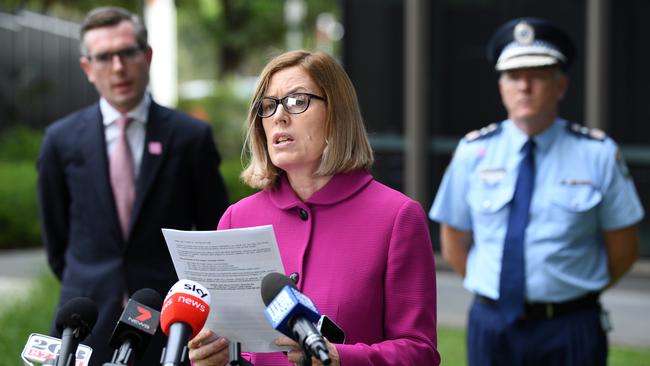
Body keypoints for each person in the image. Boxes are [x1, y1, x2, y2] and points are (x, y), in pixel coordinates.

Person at [187, 50, 440, 366]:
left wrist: (341, 359)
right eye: (268, 106)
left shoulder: (397, 217)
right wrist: (214, 357)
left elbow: (420, 352)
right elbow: (229, 342)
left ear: (336, 113)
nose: (279, 116)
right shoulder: (237, 219)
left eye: (296, 101)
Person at [429, 17, 644, 366]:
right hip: (493, 323)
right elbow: (454, 242)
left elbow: (624, 248)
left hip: (572, 324)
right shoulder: (473, 152)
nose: (524, 87)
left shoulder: (598, 153)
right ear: (501, 87)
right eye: (514, 77)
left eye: (538, 75)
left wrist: (569, 288)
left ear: (561, 86)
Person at [37, 6, 229, 365]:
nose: (118, 67)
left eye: (127, 53)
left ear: (147, 56)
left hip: (168, 322)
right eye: (104, 57)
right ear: (87, 68)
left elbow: (211, 235)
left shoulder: (190, 138)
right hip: (85, 322)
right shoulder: (60, 141)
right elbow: (57, 240)